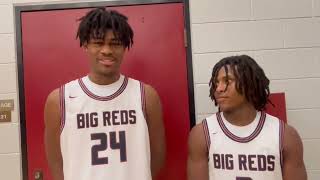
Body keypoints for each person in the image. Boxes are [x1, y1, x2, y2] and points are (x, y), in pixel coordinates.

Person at [44, 7, 165, 180]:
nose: (107, 50)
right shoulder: (60, 100)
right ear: (86, 45)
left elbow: (157, 156)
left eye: (115, 43)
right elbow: (56, 163)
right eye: (98, 43)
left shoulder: (145, 95)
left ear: (124, 47)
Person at [187, 55, 307, 180]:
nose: (218, 88)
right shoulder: (202, 134)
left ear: (249, 85)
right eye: (217, 83)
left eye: (227, 81)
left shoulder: (285, 135)